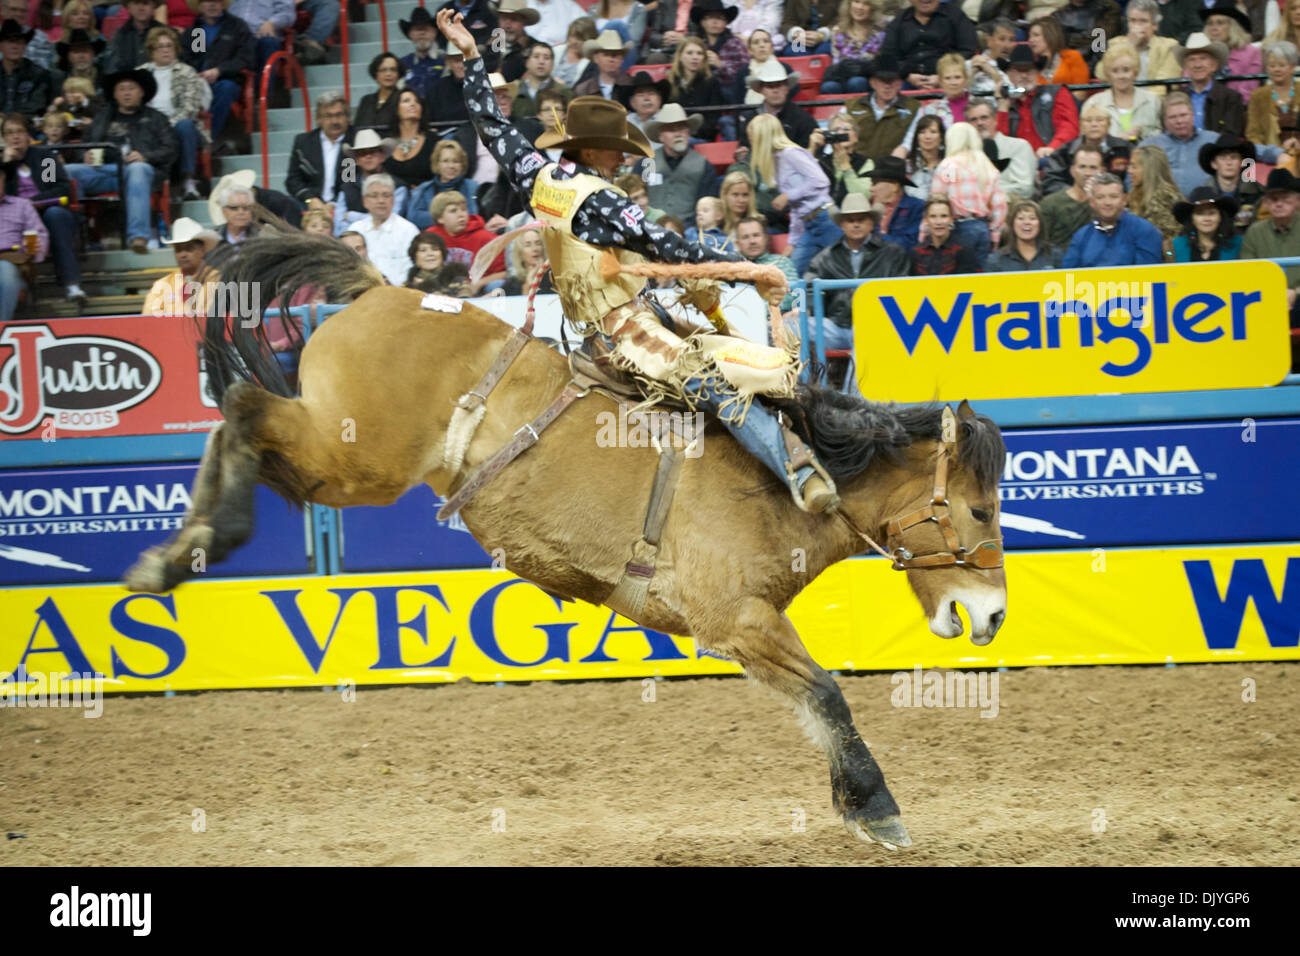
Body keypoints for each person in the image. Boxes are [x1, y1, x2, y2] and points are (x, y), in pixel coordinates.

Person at [437, 7, 839, 513]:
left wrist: (472, 58)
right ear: (594, 151)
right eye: (618, 150)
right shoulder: (601, 199)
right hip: (629, 335)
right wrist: (747, 267)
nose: (625, 158)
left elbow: (491, 125)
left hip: (597, 327)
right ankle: (798, 474)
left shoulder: (540, 178)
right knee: (713, 383)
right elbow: (664, 246)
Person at [65, 68, 177, 253]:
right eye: (122, 89)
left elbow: (171, 149)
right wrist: (83, 155)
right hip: (106, 171)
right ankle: (77, 236)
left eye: (131, 88)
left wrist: (145, 156)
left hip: (143, 172)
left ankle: (138, 236)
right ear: (115, 94)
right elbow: (82, 146)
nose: (126, 93)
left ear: (141, 92)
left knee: (137, 169)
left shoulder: (156, 118)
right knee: (68, 172)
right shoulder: (102, 118)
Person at [2, 111, 83, 303]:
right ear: (3, 137)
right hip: (12, 217)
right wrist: (7, 164)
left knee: (56, 215)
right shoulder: (3, 163)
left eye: (19, 131)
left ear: (28, 135)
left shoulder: (43, 158)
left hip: (45, 210)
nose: (15, 136)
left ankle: (72, 285)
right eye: (9, 133)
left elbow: (60, 189)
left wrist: (34, 202)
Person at [748, 111, 840, 274]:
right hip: (808, 224)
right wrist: (792, 242)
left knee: (840, 269)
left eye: (753, 138)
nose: (751, 143)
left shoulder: (791, 153)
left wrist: (787, 195)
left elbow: (821, 181)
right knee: (793, 274)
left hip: (826, 219)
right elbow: (797, 207)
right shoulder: (777, 162)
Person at [140, 26, 208, 200]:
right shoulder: (140, 73)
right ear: (151, 50)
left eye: (169, 46)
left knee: (184, 124)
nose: (165, 50)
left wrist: (167, 125)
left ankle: (188, 182)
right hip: (148, 127)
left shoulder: (187, 72)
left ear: (175, 49)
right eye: (160, 46)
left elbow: (190, 109)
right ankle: (156, 187)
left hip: (179, 125)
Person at [925, 121, 1006, 266]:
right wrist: (995, 232)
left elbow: (937, 201)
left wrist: (925, 230)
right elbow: (999, 206)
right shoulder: (987, 166)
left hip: (958, 229)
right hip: (983, 228)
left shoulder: (949, 166)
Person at [181, 0, 254, 143]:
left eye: (217, 1)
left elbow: (245, 58)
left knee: (226, 88)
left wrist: (219, 71)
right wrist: (197, 74)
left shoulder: (237, 26)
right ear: (200, 5)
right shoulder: (196, 30)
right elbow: (193, 58)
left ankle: (207, 140)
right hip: (197, 82)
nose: (212, 4)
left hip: (227, 80)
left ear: (223, 4)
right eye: (207, 1)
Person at [637, 102, 718, 227]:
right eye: (671, 129)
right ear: (661, 136)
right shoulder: (647, 163)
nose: (678, 134)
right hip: (650, 228)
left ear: (688, 133)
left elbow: (708, 206)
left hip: (689, 231)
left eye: (681, 128)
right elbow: (633, 197)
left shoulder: (704, 166)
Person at [1240, 168, 1300, 333]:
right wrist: (1274, 294)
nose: (1279, 203)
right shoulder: (1255, 232)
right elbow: (1247, 273)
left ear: (1298, 200)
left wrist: (1295, 292)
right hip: (1266, 300)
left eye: (1285, 198)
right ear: (1265, 202)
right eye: (1273, 199)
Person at [1061, 172, 1164, 267]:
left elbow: (1151, 277)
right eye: (1100, 197)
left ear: (1124, 200)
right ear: (1092, 202)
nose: (1107, 202)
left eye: (1113, 196)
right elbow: (1067, 276)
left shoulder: (1145, 231)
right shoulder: (1081, 236)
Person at [995, 44, 1079, 160]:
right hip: (1018, 169)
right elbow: (1000, 146)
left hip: (1051, 164)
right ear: (1009, 75)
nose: (1024, 75)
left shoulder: (1058, 93)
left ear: (1037, 72)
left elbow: (1068, 127)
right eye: (1018, 71)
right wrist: (1002, 108)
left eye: (1029, 70)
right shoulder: (1005, 103)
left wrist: (1052, 148)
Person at [879, 0, 978, 88]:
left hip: (949, 79)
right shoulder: (898, 22)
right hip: (907, 80)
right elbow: (887, 57)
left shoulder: (956, 15)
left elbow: (968, 49)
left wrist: (945, 74)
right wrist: (906, 76)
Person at [1040, 101, 1132, 196]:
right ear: (1081, 126)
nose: (1094, 124)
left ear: (1109, 124)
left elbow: (1133, 181)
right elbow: (1050, 181)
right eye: (1088, 120)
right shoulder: (1066, 151)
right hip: (1074, 204)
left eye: (1100, 120)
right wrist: (1075, 193)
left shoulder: (1125, 148)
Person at [1138, 92, 1221, 197]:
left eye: (1183, 115)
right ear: (1164, 121)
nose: (1179, 121)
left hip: (1205, 206)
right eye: (1172, 117)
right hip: (1162, 207)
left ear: (1193, 116)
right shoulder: (1150, 145)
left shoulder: (1213, 140)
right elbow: (1132, 176)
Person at [894, 52, 971, 158]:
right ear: (940, 81)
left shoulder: (978, 105)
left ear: (966, 79)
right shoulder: (930, 110)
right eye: (948, 78)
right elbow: (910, 140)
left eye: (957, 77)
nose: (953, 82)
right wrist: (900, 152)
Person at [347, 172, 419, 286]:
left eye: (386, 195)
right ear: (365, 201)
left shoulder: (408, 230)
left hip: (397, 294)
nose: (381, 200)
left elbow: (411, 271)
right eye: (374, 195)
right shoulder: (355, 229)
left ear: (393, 199)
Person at [285, 91, 353, 212]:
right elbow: (293, 179)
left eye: (339, 115)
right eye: (328, 116)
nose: (334, 121)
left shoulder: (354, 142)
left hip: (345, 203)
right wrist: (310, 199)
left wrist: (335, 202)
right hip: (309, 203)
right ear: (319, 119)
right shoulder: (303, 142)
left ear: (347, 117)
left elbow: (350, 180)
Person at [1094, 0, 1180, 93]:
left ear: (1155, 25)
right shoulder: (1116, 44)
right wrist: (1130, 46)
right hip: (1119, 101)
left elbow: (1164, 87)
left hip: (1153, 103)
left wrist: (1136, 101)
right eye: (1133, 21)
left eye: (1143, 21)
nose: (1137, 26)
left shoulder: (1168, 47)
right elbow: (1101, 74)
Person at [335, 129, 410, 234]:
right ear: (356, 160)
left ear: (382, 156)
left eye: (373, 152)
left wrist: (352, 216)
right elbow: (338, 227)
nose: (368, 156)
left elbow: (391, 219)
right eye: (362, 153)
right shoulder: (347, 188)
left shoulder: (398, 186)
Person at [1088, 39, 1163, 143]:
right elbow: (1087, 140)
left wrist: (1142, 133)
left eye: (1126, 70)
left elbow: (1161, 137)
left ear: (1135, 73)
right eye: (1115, 71)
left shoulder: (1152, 100)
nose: (1121, 76)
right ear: (1108, 75)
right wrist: (1118, 141)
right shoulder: (1094, 103)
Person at [144, 215, 222, 314]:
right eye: (178, 250)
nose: (183, 255)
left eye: (189, 249)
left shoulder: (218, 280)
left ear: (202, 250)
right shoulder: (162, 285)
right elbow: (148, 319)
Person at [426, 188, 502, 286]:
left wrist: (477, 285)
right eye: (453, 211)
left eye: (464, 209)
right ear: (440, 218)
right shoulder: (431, 237)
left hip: (480, 291)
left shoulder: (486, 238)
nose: (461, 215)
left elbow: (503, 274)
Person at [0, 161, 46, 320]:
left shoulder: (22, 205)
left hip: (15, 263)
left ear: (3, 179)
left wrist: (35, 247)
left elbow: (40, 235)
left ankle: (1, 332)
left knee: (4, 269)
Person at [965, 96, 1036, 199]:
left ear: (995, 119)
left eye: (984, 117)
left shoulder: (1019, 146)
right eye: (974, 120)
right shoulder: (965, 153)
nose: (979, 123)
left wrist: (984, 195)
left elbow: (1024, 189)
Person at [1176, 33, 1245, 137]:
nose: (1197, 65)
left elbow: (1231, 135)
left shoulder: (1231, 98)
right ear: (1185, 67)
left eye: (1203, 58)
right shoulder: (1176, 97)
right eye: (1192, 59)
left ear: (1214, 65)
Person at [845, 54, 912, 159]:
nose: (887, 86)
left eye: (892, 80)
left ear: (900, 83)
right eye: (882, 80)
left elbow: (908, 142)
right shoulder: (850, 106)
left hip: (891, 169)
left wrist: (904, 149)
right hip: (855, 166)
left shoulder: (913, 108)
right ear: (873, 83)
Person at [739, 58, 816, 148]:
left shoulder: (803, 119)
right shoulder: (750, 119)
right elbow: (744, 146)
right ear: (761, 90)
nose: (775, 90)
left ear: (787, 88)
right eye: (770, 86)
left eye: (779, 85)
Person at [1039, 143, 1102, 246]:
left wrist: (1094, 199)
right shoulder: (1050, 204)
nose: (1087, 173)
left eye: (1093, 168)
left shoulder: (1106, 205)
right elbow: (1042, 244)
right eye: (1082, 167)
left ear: (1101, 171)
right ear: (1072, 170)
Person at [1200, 1, 1260, 107]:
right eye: (1210, 23)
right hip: (1204, 110)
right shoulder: (1200, 54)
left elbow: (1247, 94)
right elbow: (1189, 84)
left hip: (1237, 112)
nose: (1214, 28)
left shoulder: (1252, 54)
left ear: (1232, 26)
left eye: (1220, 23)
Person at [664, 34, 723, 141]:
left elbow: (713, 118)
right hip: (673, 137)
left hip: (701, 137)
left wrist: (690, 134)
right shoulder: (669, 82)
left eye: (699, 53)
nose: (695, 57)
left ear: (704, 58)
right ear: (680, 56)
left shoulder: (712, 82)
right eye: (689, 53)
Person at [807, 110, 873, 205]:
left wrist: (846, 166)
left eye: (845, 129)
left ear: (856, 136)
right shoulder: (822, 162)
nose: (840, 133)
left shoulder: (865, 163)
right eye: (835, 130)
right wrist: (812, 149)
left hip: (852, 212)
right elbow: (801, 184)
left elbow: (864, 195)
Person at [820, 0, 885, 96]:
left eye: (866, 4)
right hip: (842, 76)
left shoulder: (881, 30)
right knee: (829, 86)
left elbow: (878, 63)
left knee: (856, 82)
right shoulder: (838, 30)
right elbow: (837, 63)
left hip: (870, 78)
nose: (859, 7)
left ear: (873, 8)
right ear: (849, 4)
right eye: (856, 2)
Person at [734, 214, 798, 311]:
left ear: (765, 238)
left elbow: (790, 296)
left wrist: (756, 311)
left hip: (777, 321)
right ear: (737, 244)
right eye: (745, 237)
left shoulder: (782, 262)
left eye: (756, 235)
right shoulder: (730, 269)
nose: (752, 241)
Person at [1199, 132, 1263, 228]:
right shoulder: (1202, 197)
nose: (1229, 162)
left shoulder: (1259, 193)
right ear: (1214, 164)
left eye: (1234, 157)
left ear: (1242, 162)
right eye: (1223, 158)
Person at [1127, 143, 1185, 249]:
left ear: (1149, 170)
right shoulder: (1133, 195)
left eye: (1134, 166)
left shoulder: (1167, 198)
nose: (1129, 171)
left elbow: (1167, 244)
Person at [693, 0, 749, 105]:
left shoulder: (735, 43)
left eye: (719, 18)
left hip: (728, 91)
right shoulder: (695, 44)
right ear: (702, 22)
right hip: (701, 91)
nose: (715, 22)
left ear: (726, 22)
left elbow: (744, 74)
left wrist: (721, 65)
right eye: (710, 17)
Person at [1247, 41, 1300, 150]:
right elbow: (1253, 134)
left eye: (1281, 65)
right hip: (1270, 158)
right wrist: (1271, 153)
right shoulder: (1258, 96)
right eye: (1272, 65)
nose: (1276, 69)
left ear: (1292, 67)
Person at [985, 198, 1063, 271]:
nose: (1026, 222)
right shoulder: (996, 260)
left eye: (1032, 218)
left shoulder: (1055, 255)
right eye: (1021, 218)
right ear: (1012, 224)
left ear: (1040, 224)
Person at [910, 194, 981, 274]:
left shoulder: (963, 249)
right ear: (926, 220)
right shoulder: (916, 252)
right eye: (933, 216)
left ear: (951, 219)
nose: (938, 222)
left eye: (944, 216)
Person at [867, 155, 925, 249]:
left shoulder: (916, 207)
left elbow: (910, 243)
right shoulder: (867, 206)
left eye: (875, 183)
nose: (871, 189)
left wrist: (876, 239)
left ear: (894, 185)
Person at [227, 0, 294, 81]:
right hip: (234, 38)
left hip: (260, 36)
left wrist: (272, 23)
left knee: (268, 42)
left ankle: (263, 92)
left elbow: (288, 14)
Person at [1170, 186, 1241, 261]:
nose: (1206, 219)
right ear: (1192, 219)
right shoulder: (1175, 246)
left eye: (1211, 213)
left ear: (1220, 217)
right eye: (1200, 213)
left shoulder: (1240, 244)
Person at [385, 88, 435, 189]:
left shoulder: (434, 141)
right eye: (406, 101)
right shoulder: (385, 143)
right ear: (396, 109)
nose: (413, 104)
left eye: (417, 101)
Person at [0, 19, 51, 117]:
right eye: (10, 41)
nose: (15, 46)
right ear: (0, 46)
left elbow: (37, 105)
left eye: (19, 42)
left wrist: (13, 120)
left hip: (25, 126)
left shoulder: (38, 74)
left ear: (24, 46)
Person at [1052, 0, 1121, 70]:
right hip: (1068, 67)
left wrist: (1069, 38)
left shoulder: (1108, 8)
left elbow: (1102, 37)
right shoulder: (1057, 16)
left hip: (1102, 64)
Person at [1026, 16, 1088, 89]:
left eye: (1036, 35)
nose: (1030, 40)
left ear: (1050, 36)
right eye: (1029, 36)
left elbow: (1081, 92)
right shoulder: (1032, 64)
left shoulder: (1072, 56)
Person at [398, 6, 444, 99]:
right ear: (410, 34)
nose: (422, 33)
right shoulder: (402, 64)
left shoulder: (447, 61)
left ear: (435, 32)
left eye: (426, 29)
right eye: (417, 29)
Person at [104, 0, 161, 73]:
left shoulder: (164, 34)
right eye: (136, 3)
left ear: (154, 6)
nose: (141, 8)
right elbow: (112, 69)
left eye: (145, 3)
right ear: (128, 7)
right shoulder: (119, 36)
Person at [513, 41, 566, 119]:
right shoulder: (514, 90)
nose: (541, 62)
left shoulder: (563, 92)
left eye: (546, 58)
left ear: (552, 64)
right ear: (527, 62)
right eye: (536, 56)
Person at [354, 52, 402, 137]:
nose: (388, 74)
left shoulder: (403, 99)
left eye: (393, 70)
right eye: (383, 70)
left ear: (398, 74)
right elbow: (357, 129)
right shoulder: (366, 101)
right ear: (376, 75)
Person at [575, 29, 632, 99]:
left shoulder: (632, 86)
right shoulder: (583, 90)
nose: (611, 59)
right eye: (606, 54)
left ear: (622, 59)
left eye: (616, 55)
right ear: (596, 58)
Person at [496, 0, 543, 82]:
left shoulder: (535, 49)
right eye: (504, 18)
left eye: (513, 19)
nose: (507, 25)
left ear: (524, 22)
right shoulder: (487, 47)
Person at [502, 225, 553, 295]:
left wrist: (538, 274)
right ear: (520, 253)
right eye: (528, 245)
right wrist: (529, 281)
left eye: (538, 243)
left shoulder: (553, 278)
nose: (535, 249)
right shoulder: (513, 282)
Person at [903, 113, 943, 199]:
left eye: (933, 132)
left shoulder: (948, 166)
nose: (927, 137)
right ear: (917, 137)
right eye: (922, 132)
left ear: (941, 137)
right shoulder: (907, 167)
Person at [427, 46, 471, 124]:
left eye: (465, 60)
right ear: (448, 63)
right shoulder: (436, 89)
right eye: (457, 61)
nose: (461, 65)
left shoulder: (483, 85)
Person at [552, 17, 596, 88]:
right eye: (573, 36)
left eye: (581, 39)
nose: (575, 42)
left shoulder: (592, 65)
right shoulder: (555, 51)